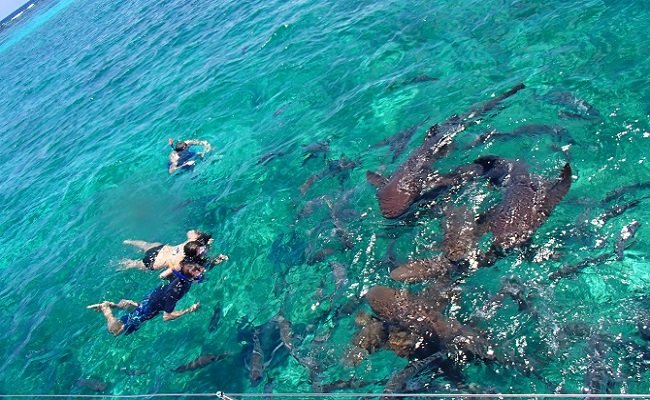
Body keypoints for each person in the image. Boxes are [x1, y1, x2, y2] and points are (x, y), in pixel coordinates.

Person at [87, 259, 205, 335]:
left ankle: (116, 305)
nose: (200, 277)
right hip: (153, 306)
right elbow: (166, 316)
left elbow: (164, 276)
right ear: (188, 278)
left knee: (140, 307)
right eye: (198, 276)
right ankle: (106, 309)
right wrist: (189, 310)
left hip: (153, 297)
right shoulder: (176, 292)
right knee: (117, 330)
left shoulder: (181, 277)